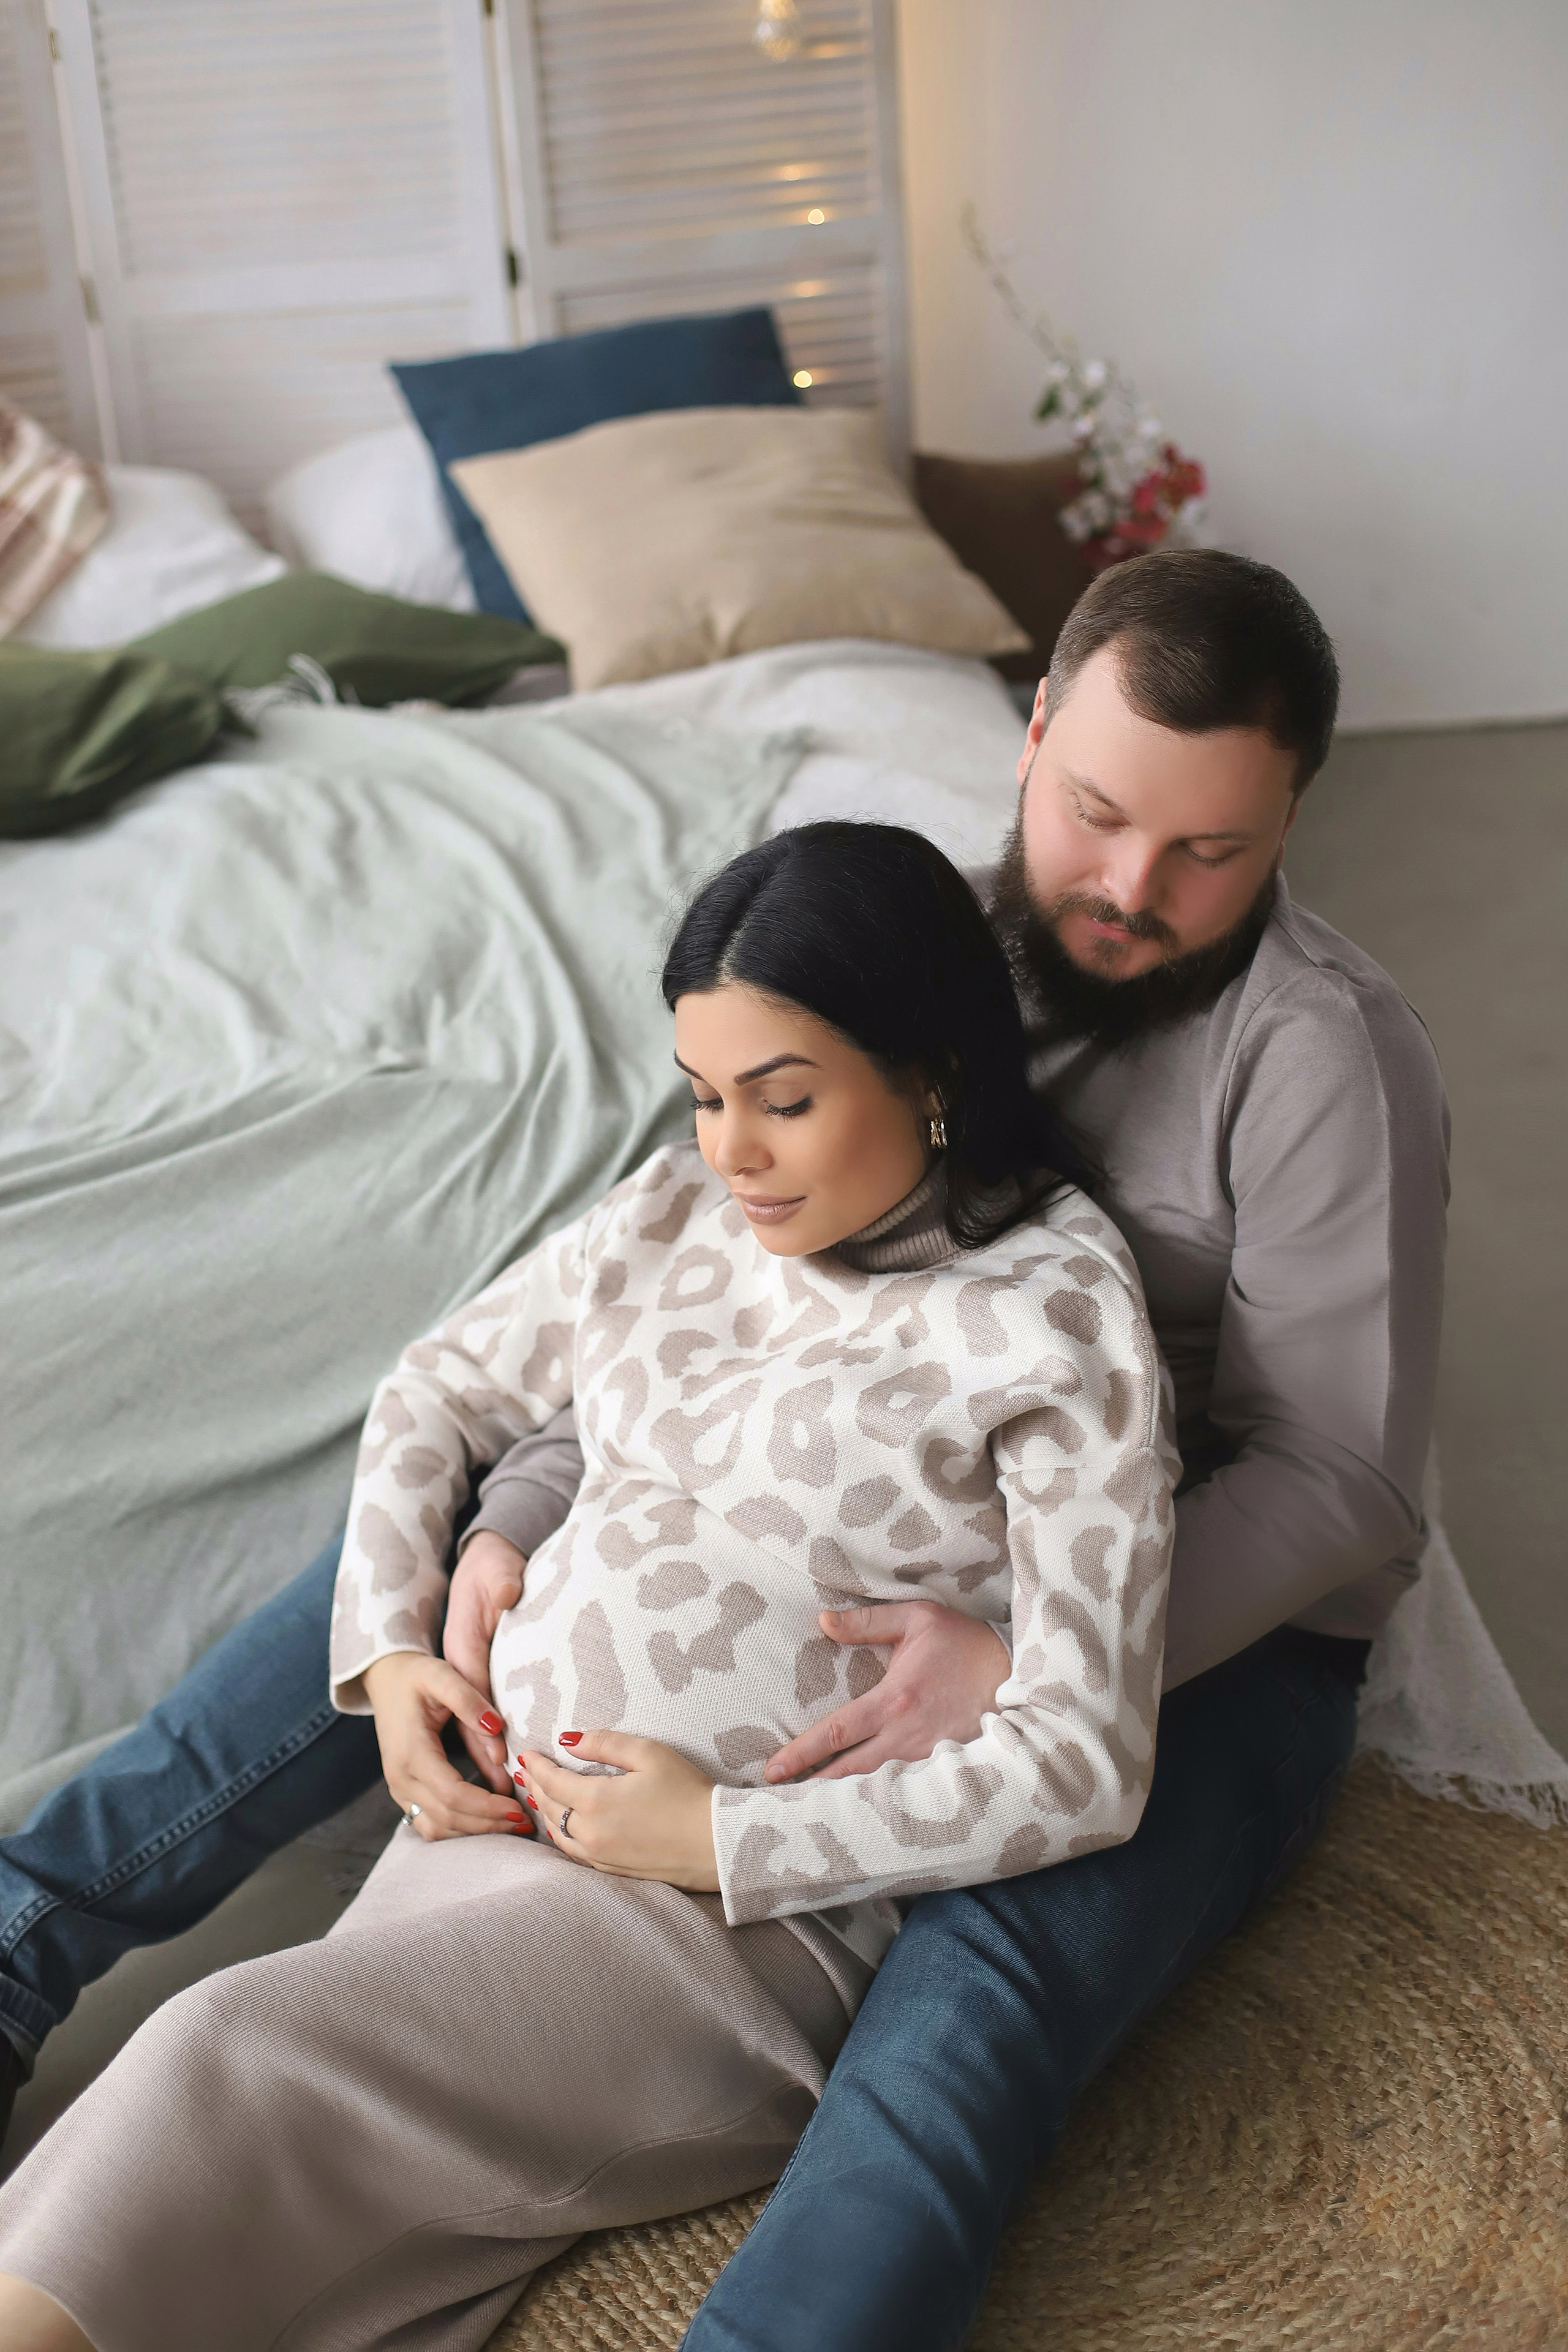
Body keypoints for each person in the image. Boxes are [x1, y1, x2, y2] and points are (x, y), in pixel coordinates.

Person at [0, 547, 1449, 2352]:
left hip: (1195, 1628)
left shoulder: (1316, 1058)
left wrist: (1026, 1662)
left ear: (1292, 816)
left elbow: (1334, 1482)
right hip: (827, 1499)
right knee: (387, 1590)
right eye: (1095, 816)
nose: (1129, 891)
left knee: (963, 2016)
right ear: (1032, 737)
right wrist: (522, 1515)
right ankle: (21, 1937)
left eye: (1207, 852)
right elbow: (690, 1285)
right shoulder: (889, 948)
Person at [0, 824, 1177, 2351]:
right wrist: (391, 1652)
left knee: (215, 2047)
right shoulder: (670, 1216)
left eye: (784, 1100)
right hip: (487, 1834)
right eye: (703, 1095)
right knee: (303, 2239)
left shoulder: (1053, 1313)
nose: (730, 1151)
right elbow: (437, 1390)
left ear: (932, 1073)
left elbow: (1084, 1759)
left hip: (719, 1934)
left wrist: (724, 1839)